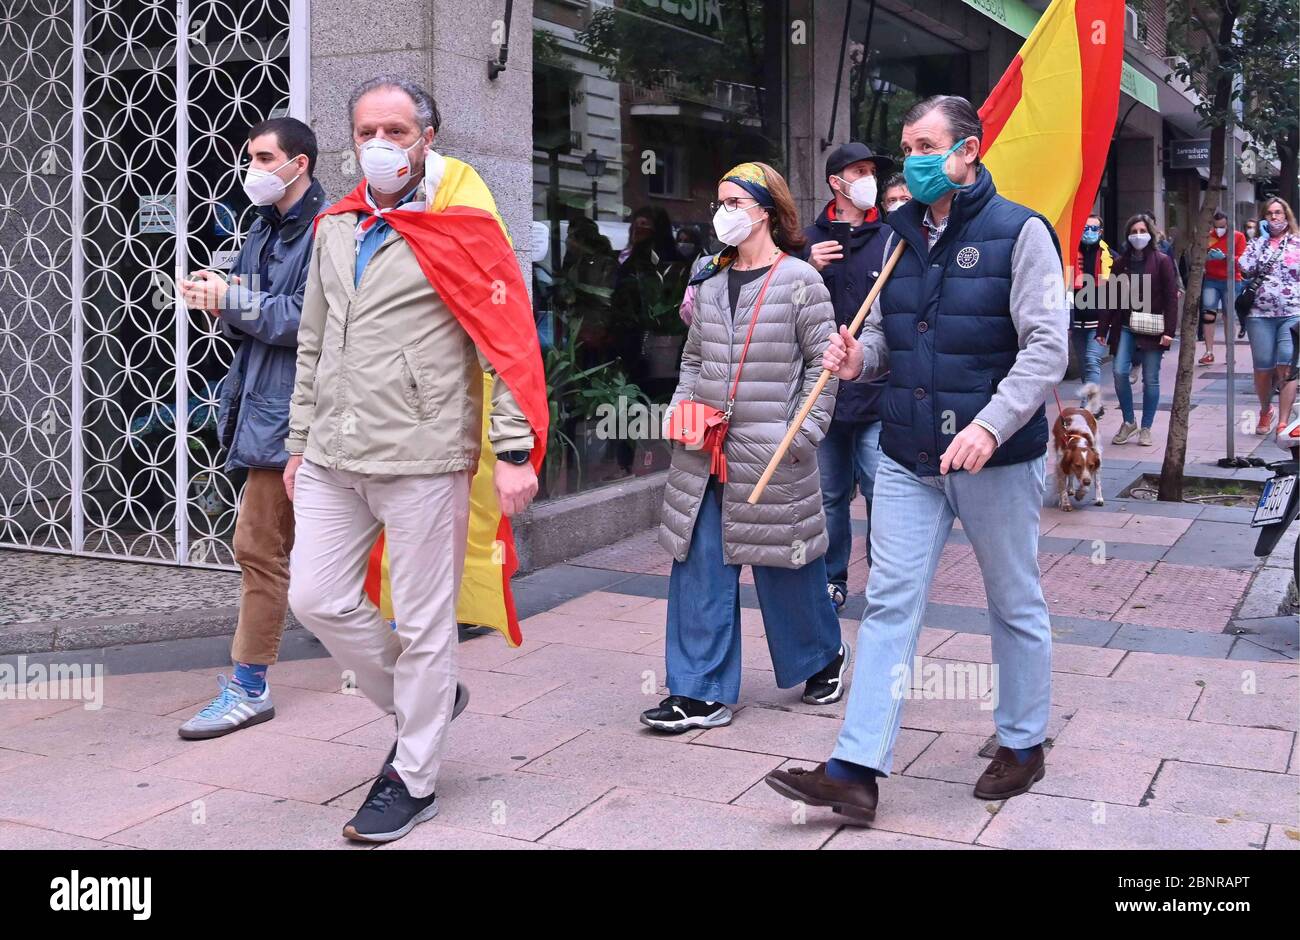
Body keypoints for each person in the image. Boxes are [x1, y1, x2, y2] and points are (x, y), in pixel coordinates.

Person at [764, 95, 1068, 824]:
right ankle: (856, 769)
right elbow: (896, 346)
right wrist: (857, 359)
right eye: (908, 146)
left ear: (969, 151)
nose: (914, 159)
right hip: (906, 451)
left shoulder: (1020, 232)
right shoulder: (897, 239)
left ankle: (1024, 742)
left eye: (928, 145)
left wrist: (991, 428)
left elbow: (1046, 349)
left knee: (1013, 598)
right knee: (891, 601)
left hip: (993, 457)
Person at [283, 76, 545, 843]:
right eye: (367, 130)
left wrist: (514, 450)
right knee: (317, 599)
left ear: (427, 138)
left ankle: (414, 775)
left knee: (428, 625)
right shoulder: (336, 224)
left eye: (396, 131)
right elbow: (313, 343)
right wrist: (298, 444)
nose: (380, 145)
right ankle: (425, 698)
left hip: (424, 456)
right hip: (334, 451)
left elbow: (506, 347)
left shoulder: (461, 227)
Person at [642, 161, 849, 734]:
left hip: (773, 450)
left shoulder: (801, 281)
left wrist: (802, 435)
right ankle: (698, 692)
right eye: (719, 203)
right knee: (698, 562)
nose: (722, 213)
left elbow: (823, 366)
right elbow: (691, 358)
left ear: (765, 210)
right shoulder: (708, 280)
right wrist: (683, 408)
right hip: (703, 448)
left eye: (733, 202)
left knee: (786, 566)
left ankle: (822, 656)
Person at [176, 118, 325, 739]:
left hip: (303, 413)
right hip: (268, 405)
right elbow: (259, 312)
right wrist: (224, 294)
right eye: (250, 156)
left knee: (260, 550)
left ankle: (249, 688)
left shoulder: (327, 229)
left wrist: (235, 300)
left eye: (265, 157)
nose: (254, 168)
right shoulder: (263, 227)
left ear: (301, 163)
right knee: (309, 559)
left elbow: (308, 319)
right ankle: (414, 670)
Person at [802, 141, 894, 607]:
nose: (868, 180)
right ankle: (831, 580)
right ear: (836, 183)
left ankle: (883, 581)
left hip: (877, 392)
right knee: (831, 495)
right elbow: (782, 305)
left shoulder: (893, 238)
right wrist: (805, 267)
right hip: (822, 395)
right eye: (859, 171)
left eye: (872, 171)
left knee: (882, 489)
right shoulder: (807, 240)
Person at [1096, 212, 1179, 447]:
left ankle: (1146, 428)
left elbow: (1171, 299)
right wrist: (1102, 330)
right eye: (1134, 232)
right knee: (1120, 372)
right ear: (1127, 236)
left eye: (1142, 231)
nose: (1138, 236)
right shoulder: (1121, 263)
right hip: (1126, 326)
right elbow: (1111, 297)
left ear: (1150, 234)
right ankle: (1129, 421)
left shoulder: (1162, 261)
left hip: (1153, 327)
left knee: (1151, 379)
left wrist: (1169, 332)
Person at [1238, 196, 1300, 436]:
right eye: (1270, 213)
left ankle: (1283, 421)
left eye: (1279, 213)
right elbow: (1245, 268)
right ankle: (1266, 409)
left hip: (1292, 313)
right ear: (1264, 217)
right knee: (1263, 367)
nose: (1275, 217)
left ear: (1287, 216)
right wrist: (1261, 241)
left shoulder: (1297, 242)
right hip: (1259, 315)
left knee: (1287, 365)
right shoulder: (1257, 244)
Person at [1070, 213, 1111, 416]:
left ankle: (1092, 404)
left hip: (1100, 321)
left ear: (1101, 232)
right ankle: (1094, 402)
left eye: (1094, 229)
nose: (1089, 232)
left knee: (1092, 360)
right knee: (1085, 365)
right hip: (1077, 320)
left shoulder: (1109, 256)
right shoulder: (1070, 254)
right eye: (1085, 228)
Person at [1198, 210, 1246, 366]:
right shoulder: (1209, 236)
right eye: (1217, 226)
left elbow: (1242, 260)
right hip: (1211, 279)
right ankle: (1209, 351)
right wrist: (1206, 257)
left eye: (1222, 226)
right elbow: (1199, 255)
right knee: (1208, 315)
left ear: (1228, 224)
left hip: (1232, 280)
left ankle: (1229, 352)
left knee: (1228, 315)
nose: (1219, 229)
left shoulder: (1238, 237)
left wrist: (1226, 257)